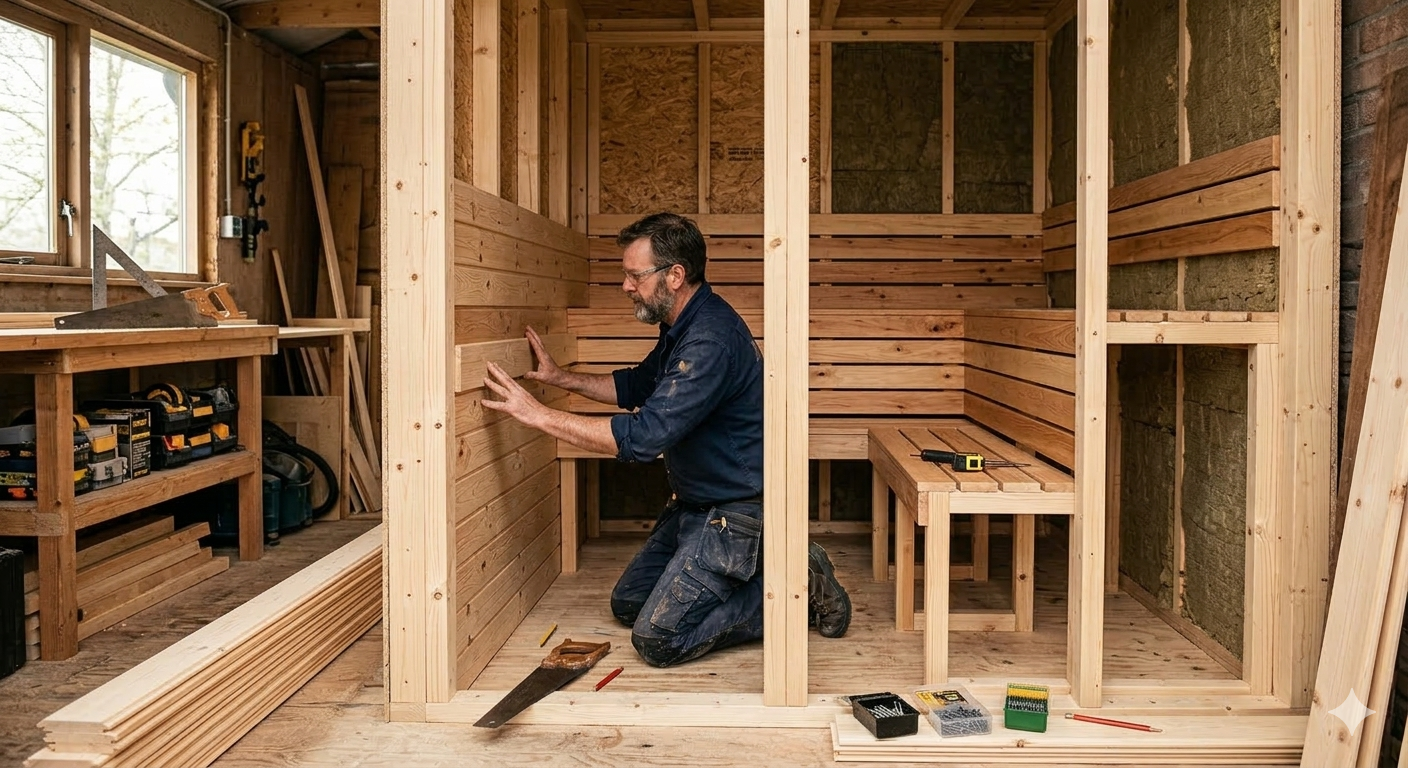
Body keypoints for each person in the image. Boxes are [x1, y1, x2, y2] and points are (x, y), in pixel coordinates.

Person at [481, 212, 852, 668]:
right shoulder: (682, 323)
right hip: (695, 507)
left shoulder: (709, 341)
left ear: (675, 276)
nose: (626, 286)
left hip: (734, 513)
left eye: (635, 275)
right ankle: (755, 566)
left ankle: (793, 580)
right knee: (629, 604)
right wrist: (564, 379)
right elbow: (641, 385)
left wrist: (537, 415)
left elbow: (643, 438)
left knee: (659, 639)